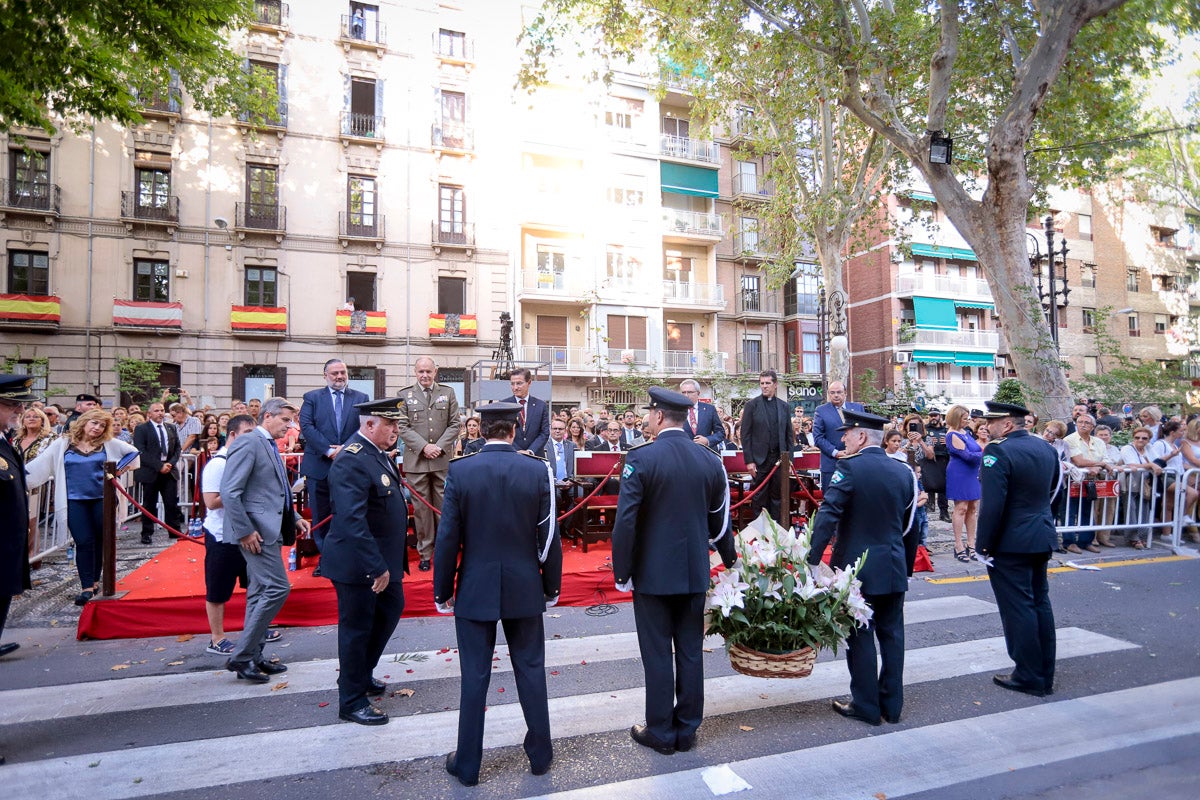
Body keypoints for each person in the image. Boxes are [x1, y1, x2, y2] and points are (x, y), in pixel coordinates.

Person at [434, 401, 562, 786]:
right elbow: (549, 536)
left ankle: (468, 764)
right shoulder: (536, 469)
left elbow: (447, 539)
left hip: (475, 584)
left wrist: (443, 590)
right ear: (516, 426)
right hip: (524, 583)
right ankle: (540, 755)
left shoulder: (461, 470)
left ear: (482, 429)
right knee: (531, 670)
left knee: (474, 677)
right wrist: (551, 586)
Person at [612, 387, 737, 754]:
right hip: (694, 569)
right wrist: (730, 560)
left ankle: (662, 732)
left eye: (651, 413)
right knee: (689, 651)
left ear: (660, 417)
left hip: (652, 574)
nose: (648, 418)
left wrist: (622, 572)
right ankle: (688, 728)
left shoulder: (641, 458)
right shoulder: (709, 459)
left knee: (657, 653)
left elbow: (626, 523)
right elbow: (720, 522)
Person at [807, 409, 917, 726]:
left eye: (848, 433)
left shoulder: (850, 467)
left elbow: (828, 514)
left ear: (863, 436)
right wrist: (905, 566)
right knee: (893, 636)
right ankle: (892, 705)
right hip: (893, 564)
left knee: (861, 636)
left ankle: (867, 705)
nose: (843, 438)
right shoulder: (903, 471)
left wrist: (813, 560)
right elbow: (910, 526)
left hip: (857, 570)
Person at [323, 399, 411, 726]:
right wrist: (376, 566)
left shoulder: (374, 453)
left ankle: (360, 673)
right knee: (356, 629)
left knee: (390, 610)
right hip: (359, 563)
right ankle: (351, 700)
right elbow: (351, 519)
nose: (395, 431)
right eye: (390, 425)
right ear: (370, 425)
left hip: (379, 559)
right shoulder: (352, 459)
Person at [220, 397, 310, 683]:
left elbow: (277, 489)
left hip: (268, 529)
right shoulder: (249, 442)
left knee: (259, 593)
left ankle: (253, 657)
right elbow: (230, 491)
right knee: (277, 588)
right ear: (268, 416)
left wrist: (294, 516)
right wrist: (245, 530)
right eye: (285, 420)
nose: (290, 426)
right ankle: (242, 655)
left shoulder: (268, 444)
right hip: (255, 532)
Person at [975, 400, 1060, 698]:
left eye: (993, 422)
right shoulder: (1046, 449)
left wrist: (983, 545)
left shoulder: (998, 451)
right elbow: (1053, 491)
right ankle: (1044, 672)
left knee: (1018, 608)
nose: (987, 426)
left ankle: (1028, 674)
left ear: (1008, 424)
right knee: (1039, 603)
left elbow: (993, 506)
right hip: (1040, 535)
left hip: (1011, 542)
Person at [26, 409, 139, 605]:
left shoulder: (107, 444)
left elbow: (133, 452)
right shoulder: (63, 444)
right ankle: (86, 586)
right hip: (74, 500)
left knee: (100, 541)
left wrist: (118, 470)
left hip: (102, 499)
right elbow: (39, 465)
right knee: (84, 541)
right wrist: (15, 478)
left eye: (102, 425)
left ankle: (94, 582)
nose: (97, 428)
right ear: (84, 423)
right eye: (94, 423)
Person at [199, 415, 263, 656]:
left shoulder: (247, 460)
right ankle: (217, 637)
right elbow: (211, 501)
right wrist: (238, 491)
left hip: (248, 531)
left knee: (255, 585)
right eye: (247, 432)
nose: (252, 438)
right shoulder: (218, 464)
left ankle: (255, 629)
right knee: (218, 588)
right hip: (221, 535)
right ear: (233, 435)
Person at [396, 357, 461, 572]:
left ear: (436, 372)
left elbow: (454, 424)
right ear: (415, 372)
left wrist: (439, 447)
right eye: (421, 371)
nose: (425, 375)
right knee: (422, 510)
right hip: (417, 461)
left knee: (444, 508)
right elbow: (402, 427)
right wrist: (424, 447)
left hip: (442, 459)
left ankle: (444, 550)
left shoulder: (448, 393)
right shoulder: (404, 395)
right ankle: (425, 552)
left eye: (428, 371)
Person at [299, 359, 369, 553]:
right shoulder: (312, 398)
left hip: (350, 465)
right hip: (319, 466)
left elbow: (365, 428)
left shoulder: (361, 397)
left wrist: (344, 449)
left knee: (349, 511)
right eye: (334, 373)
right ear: (325, 376)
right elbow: (307, 427)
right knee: (321, 514)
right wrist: (328, 451)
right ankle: (326, 556)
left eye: (342, 372)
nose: (339, 377)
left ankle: (347, 554)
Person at [1, 376, 42, 662]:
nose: (19, 410)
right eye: (12, 404)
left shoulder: (5, 438)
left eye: (21, 405)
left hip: (8, 532)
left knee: (3, 587)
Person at [739, 370, 793, 525]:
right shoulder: (751, 405)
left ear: (775, 384)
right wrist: (749, 461)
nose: (764, 386)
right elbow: (745, 435)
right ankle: (760, 534)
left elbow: (789, 435)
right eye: (762, 383)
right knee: (760, 496)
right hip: (759, 459)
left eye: (767, 383)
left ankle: (777, 530)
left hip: (779, 459)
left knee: (778, 497)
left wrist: (790, 460)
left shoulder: (784, 406)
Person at [132, 402, 183, 545]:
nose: (160, 413)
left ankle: (175, 531)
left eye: (162, 410)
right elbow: (141, 450)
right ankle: (147, 533)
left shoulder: (171, 427)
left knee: (171, 503)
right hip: (150, 471)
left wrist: (170, 464)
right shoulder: (142, 429)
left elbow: (177, 448)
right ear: (149, 414)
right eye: (156, 411)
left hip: (169, 471)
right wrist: (159, 466)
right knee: (149, 504)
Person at [812, 380, 865, 492]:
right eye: (832, 392)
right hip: (832, 464)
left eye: (839, 392)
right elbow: (818, 438)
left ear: (845, 393)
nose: (835, 395)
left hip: (856, 463)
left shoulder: (858, 408)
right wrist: (835, 453)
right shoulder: (821, 411)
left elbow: (864, 433)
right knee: (832, 500)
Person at [945, 405, 983, 562]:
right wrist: (984, 451)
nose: (967, 420)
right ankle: (958, 544)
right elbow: (968, 456)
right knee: (961, 508)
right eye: (964, 418)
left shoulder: (966, 433)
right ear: (956, 418)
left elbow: (974, 452)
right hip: (960, 473)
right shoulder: (952, 434)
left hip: (972, 473)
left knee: (973, 508)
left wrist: (979, 452)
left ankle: (971, 543)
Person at [505, 368, 550, 456]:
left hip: (535, 456)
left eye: (519, 383)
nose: (515, 387)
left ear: (529, 383)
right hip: (512, 456)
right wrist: (517, 451)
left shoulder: (540, 405)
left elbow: (544, 433)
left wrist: (530, 451)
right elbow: (503, 432)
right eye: (512, 384)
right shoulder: (504, 405)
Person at [679, 378, 726, 449]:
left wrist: (708, 440)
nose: (686, 395)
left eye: (690, 392)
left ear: (698, 393)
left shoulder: (709, 409)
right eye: (683, 392)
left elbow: (720, 433)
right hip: (683, 453)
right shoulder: (675, 410)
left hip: (704, 453)